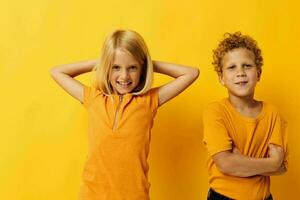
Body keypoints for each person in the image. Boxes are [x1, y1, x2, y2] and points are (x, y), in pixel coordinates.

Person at [50, 29, 199, 200]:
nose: (124, 75)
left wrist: (148, 63)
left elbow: (191, 73)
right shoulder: (93, 98)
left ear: (142, 69)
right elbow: (57, 72)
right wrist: (103, 61)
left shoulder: (148, 101)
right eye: (116, 67)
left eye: (132, 67)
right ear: (107, 67)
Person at [203, 32, 288, 200]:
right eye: (232, 67)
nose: (240, 72)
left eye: (247, 66)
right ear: (221, 78)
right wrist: (270, 162)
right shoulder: (215, 112)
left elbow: (282, 166)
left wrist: (241, 161)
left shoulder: (273, 114)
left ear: (259, 73)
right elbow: (226, 164)